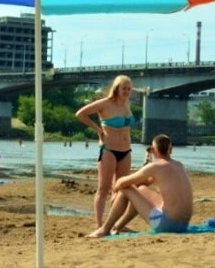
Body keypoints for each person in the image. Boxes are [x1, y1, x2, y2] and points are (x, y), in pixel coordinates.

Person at [88, 134, 193, 238]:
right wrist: (146, 167)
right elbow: (145, 183)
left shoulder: (155, 166)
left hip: (166, 225)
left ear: (153, 150)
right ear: (171, 150)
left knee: (126, 189)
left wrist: (116, 191)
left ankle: (105, 229)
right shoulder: (179, 165)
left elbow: (120, 183)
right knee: (142, 190)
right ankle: (117, 227)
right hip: (183, 225)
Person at [76, 75, 134, 228]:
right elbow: (81, 114)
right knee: (103, 188)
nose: (127, 91)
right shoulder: (105, 103)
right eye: (124, 88)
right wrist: (98, 130)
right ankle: (99, 224)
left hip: (126, 151)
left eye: (129, 89)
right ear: (116, 88)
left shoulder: (126, 104)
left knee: (121, 189)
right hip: (109, 150)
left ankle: (115, 224)